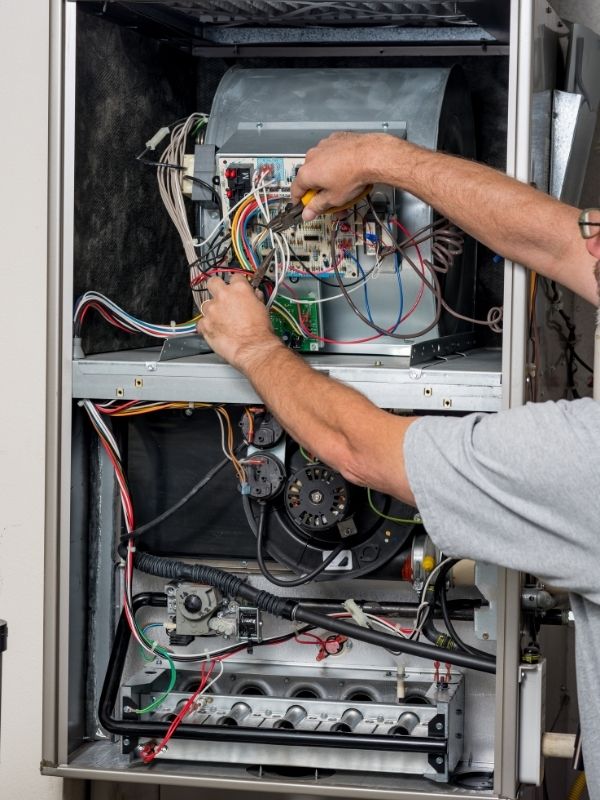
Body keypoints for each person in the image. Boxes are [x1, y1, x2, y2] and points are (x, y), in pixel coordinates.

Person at [197, 132, 600, 795]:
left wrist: (253, 347)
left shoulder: (580, 463)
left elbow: (363, 452)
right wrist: (381, 158)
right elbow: (558, 239)